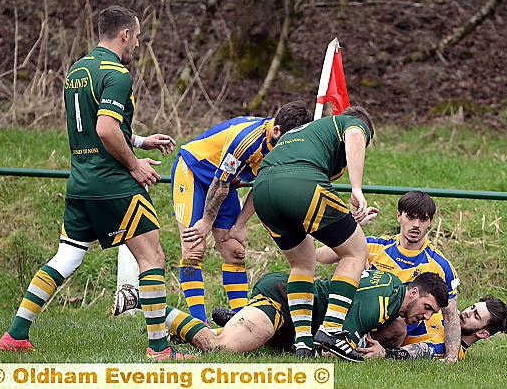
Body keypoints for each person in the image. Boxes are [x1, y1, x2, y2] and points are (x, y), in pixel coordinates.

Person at [0, 6, 188, 360]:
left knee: (67, 256)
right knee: (153, 258)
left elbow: (92, 126)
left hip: (81, 181)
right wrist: (134, 165)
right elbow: (104, 128)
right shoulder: (117, 73)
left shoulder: (78, 70)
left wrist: (141, 141)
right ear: (126, 34)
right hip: (113, 183)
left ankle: (16, 333)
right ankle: (160, 349)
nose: (138, 44)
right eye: (139, 37)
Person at [171, 102, 313, 323]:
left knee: (235, 250)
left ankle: (240, 320)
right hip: (195, 173)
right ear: (276, 131)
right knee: (194, 249)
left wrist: (240, 223)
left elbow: (261, 186)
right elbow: (220, 182)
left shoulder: (290, 144)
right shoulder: (246, 139)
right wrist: (207, 221)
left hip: (226, 186)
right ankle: (198, 324)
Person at [251, 106, 374, 357]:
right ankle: (331, 330)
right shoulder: (351, 123)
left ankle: (303, 343)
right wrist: (357, 188)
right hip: (300, 183)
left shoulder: (302, 134)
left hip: (262, 190)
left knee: (303, 264)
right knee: (356, 252)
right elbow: (355, 136)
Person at [151, 270, 448, 360]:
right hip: (284, 299)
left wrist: (384, 350)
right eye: (427, 309)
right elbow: (333, 349)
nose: (425, 317)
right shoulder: (380, 303)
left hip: (298, 323)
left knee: (398, 331)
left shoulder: (391, 289)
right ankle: (146, 301)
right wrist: (364, 353)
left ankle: (235, 320)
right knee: (220, 348)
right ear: (413, 293)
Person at [316, 191, 462, 362]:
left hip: (399, 333)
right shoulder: (376, 246)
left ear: (430, 222)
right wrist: (353, 231)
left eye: (422, 219)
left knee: (398, 326)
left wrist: (452, 358)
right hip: (356, 316)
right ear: (399, 216)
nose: (416, 225)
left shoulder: (441, 265)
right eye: (411, 217)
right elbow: (320, 256)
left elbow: (451, 315)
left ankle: (369, 349)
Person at [358, 295, 507, 360]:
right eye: (472, 307)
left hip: (371, 336)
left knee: (399, 326)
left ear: (483, 333)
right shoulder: (449, 314)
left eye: (476, 316)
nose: (467, 312)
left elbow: (418, 351)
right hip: (370, 314)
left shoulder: (452, 349)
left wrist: (384, 353)